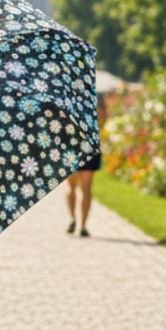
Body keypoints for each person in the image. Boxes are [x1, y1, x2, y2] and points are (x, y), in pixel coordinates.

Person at [65, 91, 108, 237]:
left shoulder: (69, 96)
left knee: (71, 186)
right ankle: (82, 225)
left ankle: (74, 219)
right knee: (85, 187)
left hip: (72, 147)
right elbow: (103, 119)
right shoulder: (97, 97)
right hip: (89, 146)